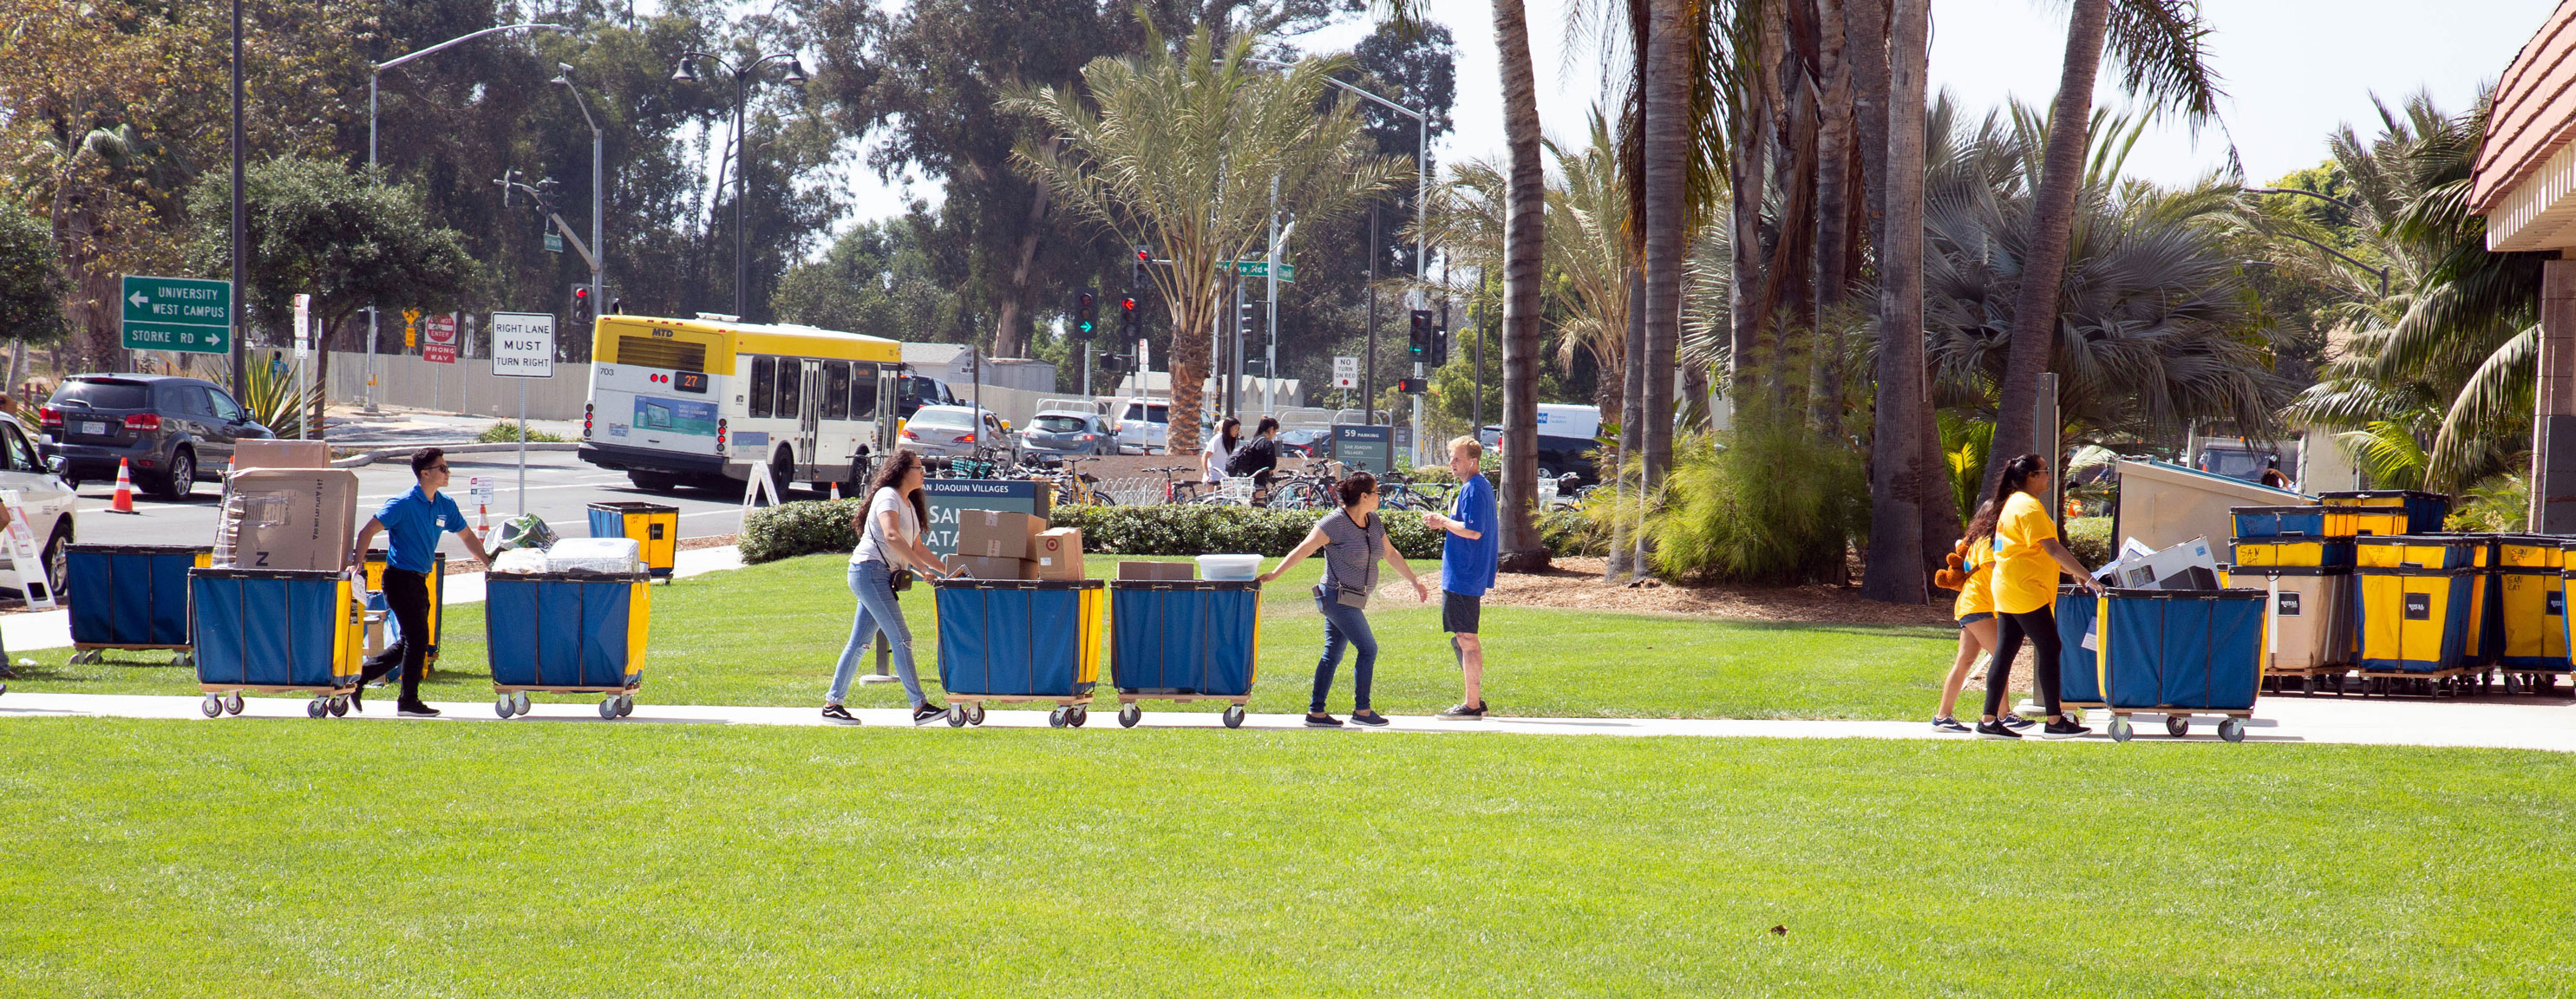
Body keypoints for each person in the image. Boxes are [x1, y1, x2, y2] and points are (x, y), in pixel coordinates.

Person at [1258, 471, 1429, 728]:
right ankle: (1362, 710)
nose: (1379, 496)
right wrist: (1275, 574)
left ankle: (1316, 713)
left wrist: (1414, 581)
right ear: (1363, 496)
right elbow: (1304, 549)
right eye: (1376, 492)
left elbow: (1390, 554)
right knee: (1368, 648)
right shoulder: (1334, 523)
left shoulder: (1373, 522)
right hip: (1336, 597)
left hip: (1355, 598)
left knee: (1332, 654)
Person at [350, 448, 492, 717]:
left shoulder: (445, 505)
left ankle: (360, 678)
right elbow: (367, 531)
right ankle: (408, 702)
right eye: (442, 468)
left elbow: (468, 537)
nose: (447, 473)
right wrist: (358, 566)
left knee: (410, 641)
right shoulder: (402, 503)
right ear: (425, 474)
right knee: (418, 641)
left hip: (420, 581)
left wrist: (490, 564)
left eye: (447, 468)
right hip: (399, 579)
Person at [825, 449, 953, 726]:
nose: (923, 473)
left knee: (859, 643)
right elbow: (891, 535)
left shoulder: (907, 503)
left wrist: (950, 570)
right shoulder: (887, 496)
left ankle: (832, 705)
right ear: (904, 471)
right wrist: (921, 570)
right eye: (919, 468)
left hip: (876, 576)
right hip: (869, 571)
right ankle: (920, 708)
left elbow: (918, 546)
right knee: (902, 637)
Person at [1979, 453, 2103, 740]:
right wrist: (2089, 576)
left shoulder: (2014, 503)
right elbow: (2052, 549)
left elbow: (2034, 550)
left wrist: (2067, 572)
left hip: (2009, 586)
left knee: (2005, 651)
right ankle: (2055, 720)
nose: (2050, 476)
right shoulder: (2029, 508)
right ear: (2031, 477)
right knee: (2050, 647)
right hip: (2025, 590)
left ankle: (1988, 720)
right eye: (2045, 471)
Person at [1928, 500, 2034, 735]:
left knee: (1965, 661)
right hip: (1978, 606)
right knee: (2001, 657)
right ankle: (2004, 716)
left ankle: (1942, 717)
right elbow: (2002, 569)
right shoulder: (1989, 542)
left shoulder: (1978, 540)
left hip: (1973, 605)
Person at [1424, 436, 1497, 720]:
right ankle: (1475, 699)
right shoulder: (1475, 487)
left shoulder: (1474, 489)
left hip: (1464, 575)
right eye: (1450, 457)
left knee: (1466, 638)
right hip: (1463, 574)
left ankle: (1472, 705)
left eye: (1456, 458)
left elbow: (1473, 530)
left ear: (1473, 461)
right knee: (1462, 637)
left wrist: (1442, 521)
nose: (1451, 463)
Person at [1226, 416, 1282, 492]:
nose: (1274, 434)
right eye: (1275, 431)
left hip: (1248, 479)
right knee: (1260, 503)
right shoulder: (1267, 443)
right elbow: (1271, 464)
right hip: (1259, 480)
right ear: (1271, 429)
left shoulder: (1253, 440)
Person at [1201, 417, 1243, 484]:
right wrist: (1207, 474)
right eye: (1236, 428)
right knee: (1211, 494)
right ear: (1228, 427)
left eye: (1238, 429)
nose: (1237, 431)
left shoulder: (1231, 442)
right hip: (1213, 477)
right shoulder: (1218, 439)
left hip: (1225, 478)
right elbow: (1205, 457)